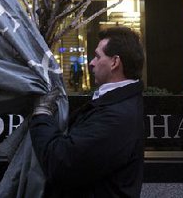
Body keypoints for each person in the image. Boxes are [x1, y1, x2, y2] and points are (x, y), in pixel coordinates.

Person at [29, 26, 145, 197]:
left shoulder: (116, 117)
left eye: (98, 56)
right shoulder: (117, 104)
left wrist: (41, 114)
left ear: (114, 62)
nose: (91, 62)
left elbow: (61, 164)